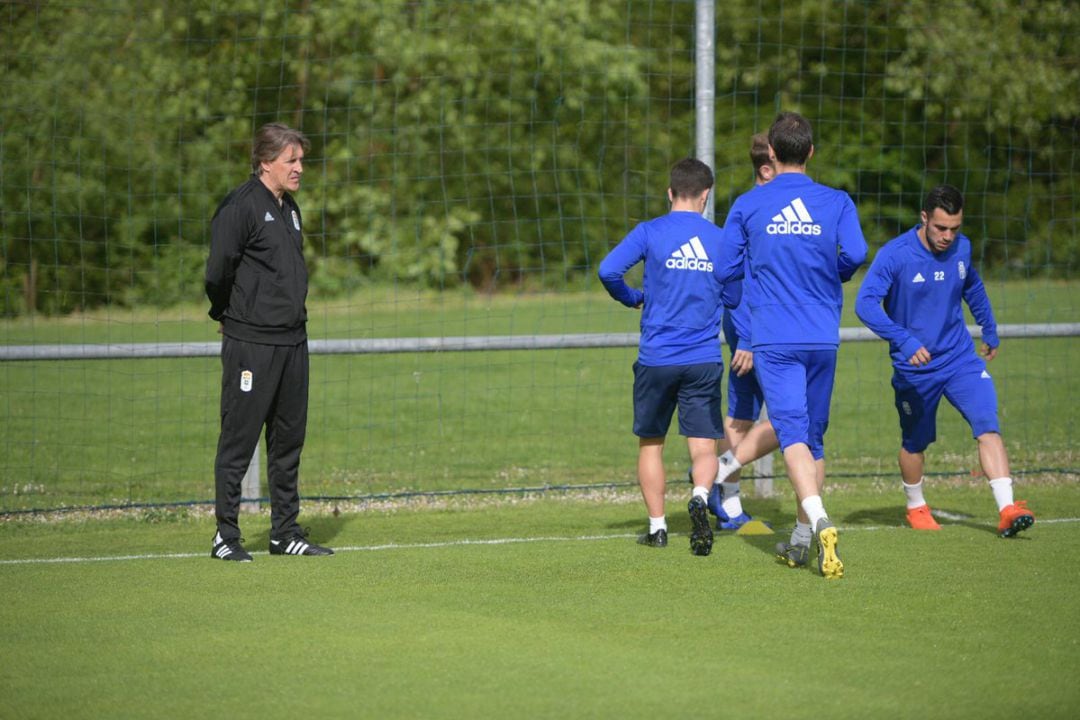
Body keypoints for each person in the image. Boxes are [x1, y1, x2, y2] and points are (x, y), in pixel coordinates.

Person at [716, 112, 868, 579]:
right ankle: (802, 542)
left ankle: (820, 520)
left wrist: (744, 301)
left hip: (775, 340)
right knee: (815, 441)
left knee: (793, 438)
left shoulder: (748, 205)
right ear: (811, 153)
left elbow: (725, 271)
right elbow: (856, 255)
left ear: (773, 156)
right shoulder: (837, 201)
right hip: (823, 337)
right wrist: (832, 274)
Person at [854, 184, 1035, 537]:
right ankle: (916, 505)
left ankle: (1007, 509)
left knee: (987, 424)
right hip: (916, 368)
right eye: (940, 228)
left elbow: (973, 286)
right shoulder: (895, 255)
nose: (948, 236)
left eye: (955, 228)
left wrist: (989, 327)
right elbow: (864, 305)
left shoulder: (962, 248)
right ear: (924, 218)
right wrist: (903, 340)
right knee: (915, 442)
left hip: (959, 358)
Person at [204, 122, 333, 561]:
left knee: (288, 440)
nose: (299, 168)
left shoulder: (290, 207)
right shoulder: (239, 206)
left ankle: (285, 533)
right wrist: (224, 314)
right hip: (251, 343)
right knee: (239, 440)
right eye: (290, 160)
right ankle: (226, 535)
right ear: (265, 162)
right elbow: (218, 271)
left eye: (301, 160)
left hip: (293, 342)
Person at [599, 158, 740, 556]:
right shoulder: (721, 239)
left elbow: (608, 270)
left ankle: (658, 528)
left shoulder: (650, 232)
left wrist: (633, 299)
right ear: (706, 196)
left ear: (670, 192)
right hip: (702, 359)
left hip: (656, 358)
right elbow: (734, 295)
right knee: (704, 447)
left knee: (651, 444)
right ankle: (698, 494)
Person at [704, 133, 781, 530]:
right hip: (754, 329)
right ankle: (725, 484)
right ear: (767, 168)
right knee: (790, 419)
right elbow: (733, 279)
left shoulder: (765, 207)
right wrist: (748, 337)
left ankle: (727, 500)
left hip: (757, 328)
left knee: (742, 413)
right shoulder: (754, 210)